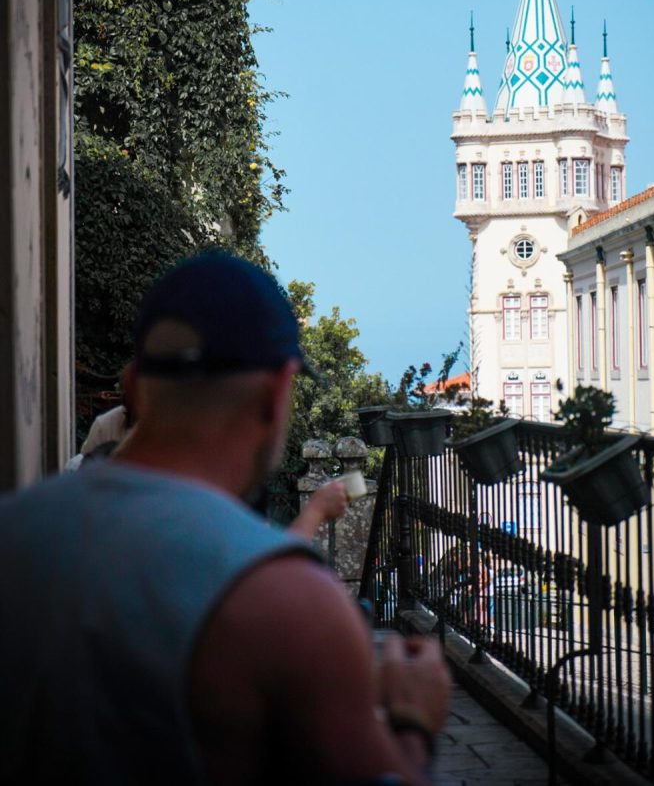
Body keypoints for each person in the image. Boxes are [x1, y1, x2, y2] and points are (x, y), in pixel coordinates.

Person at [0, 251, 450, 785]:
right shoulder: (287, 597)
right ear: (274, 391)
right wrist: (413, 724)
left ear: (133, 385)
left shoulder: (14, 529)